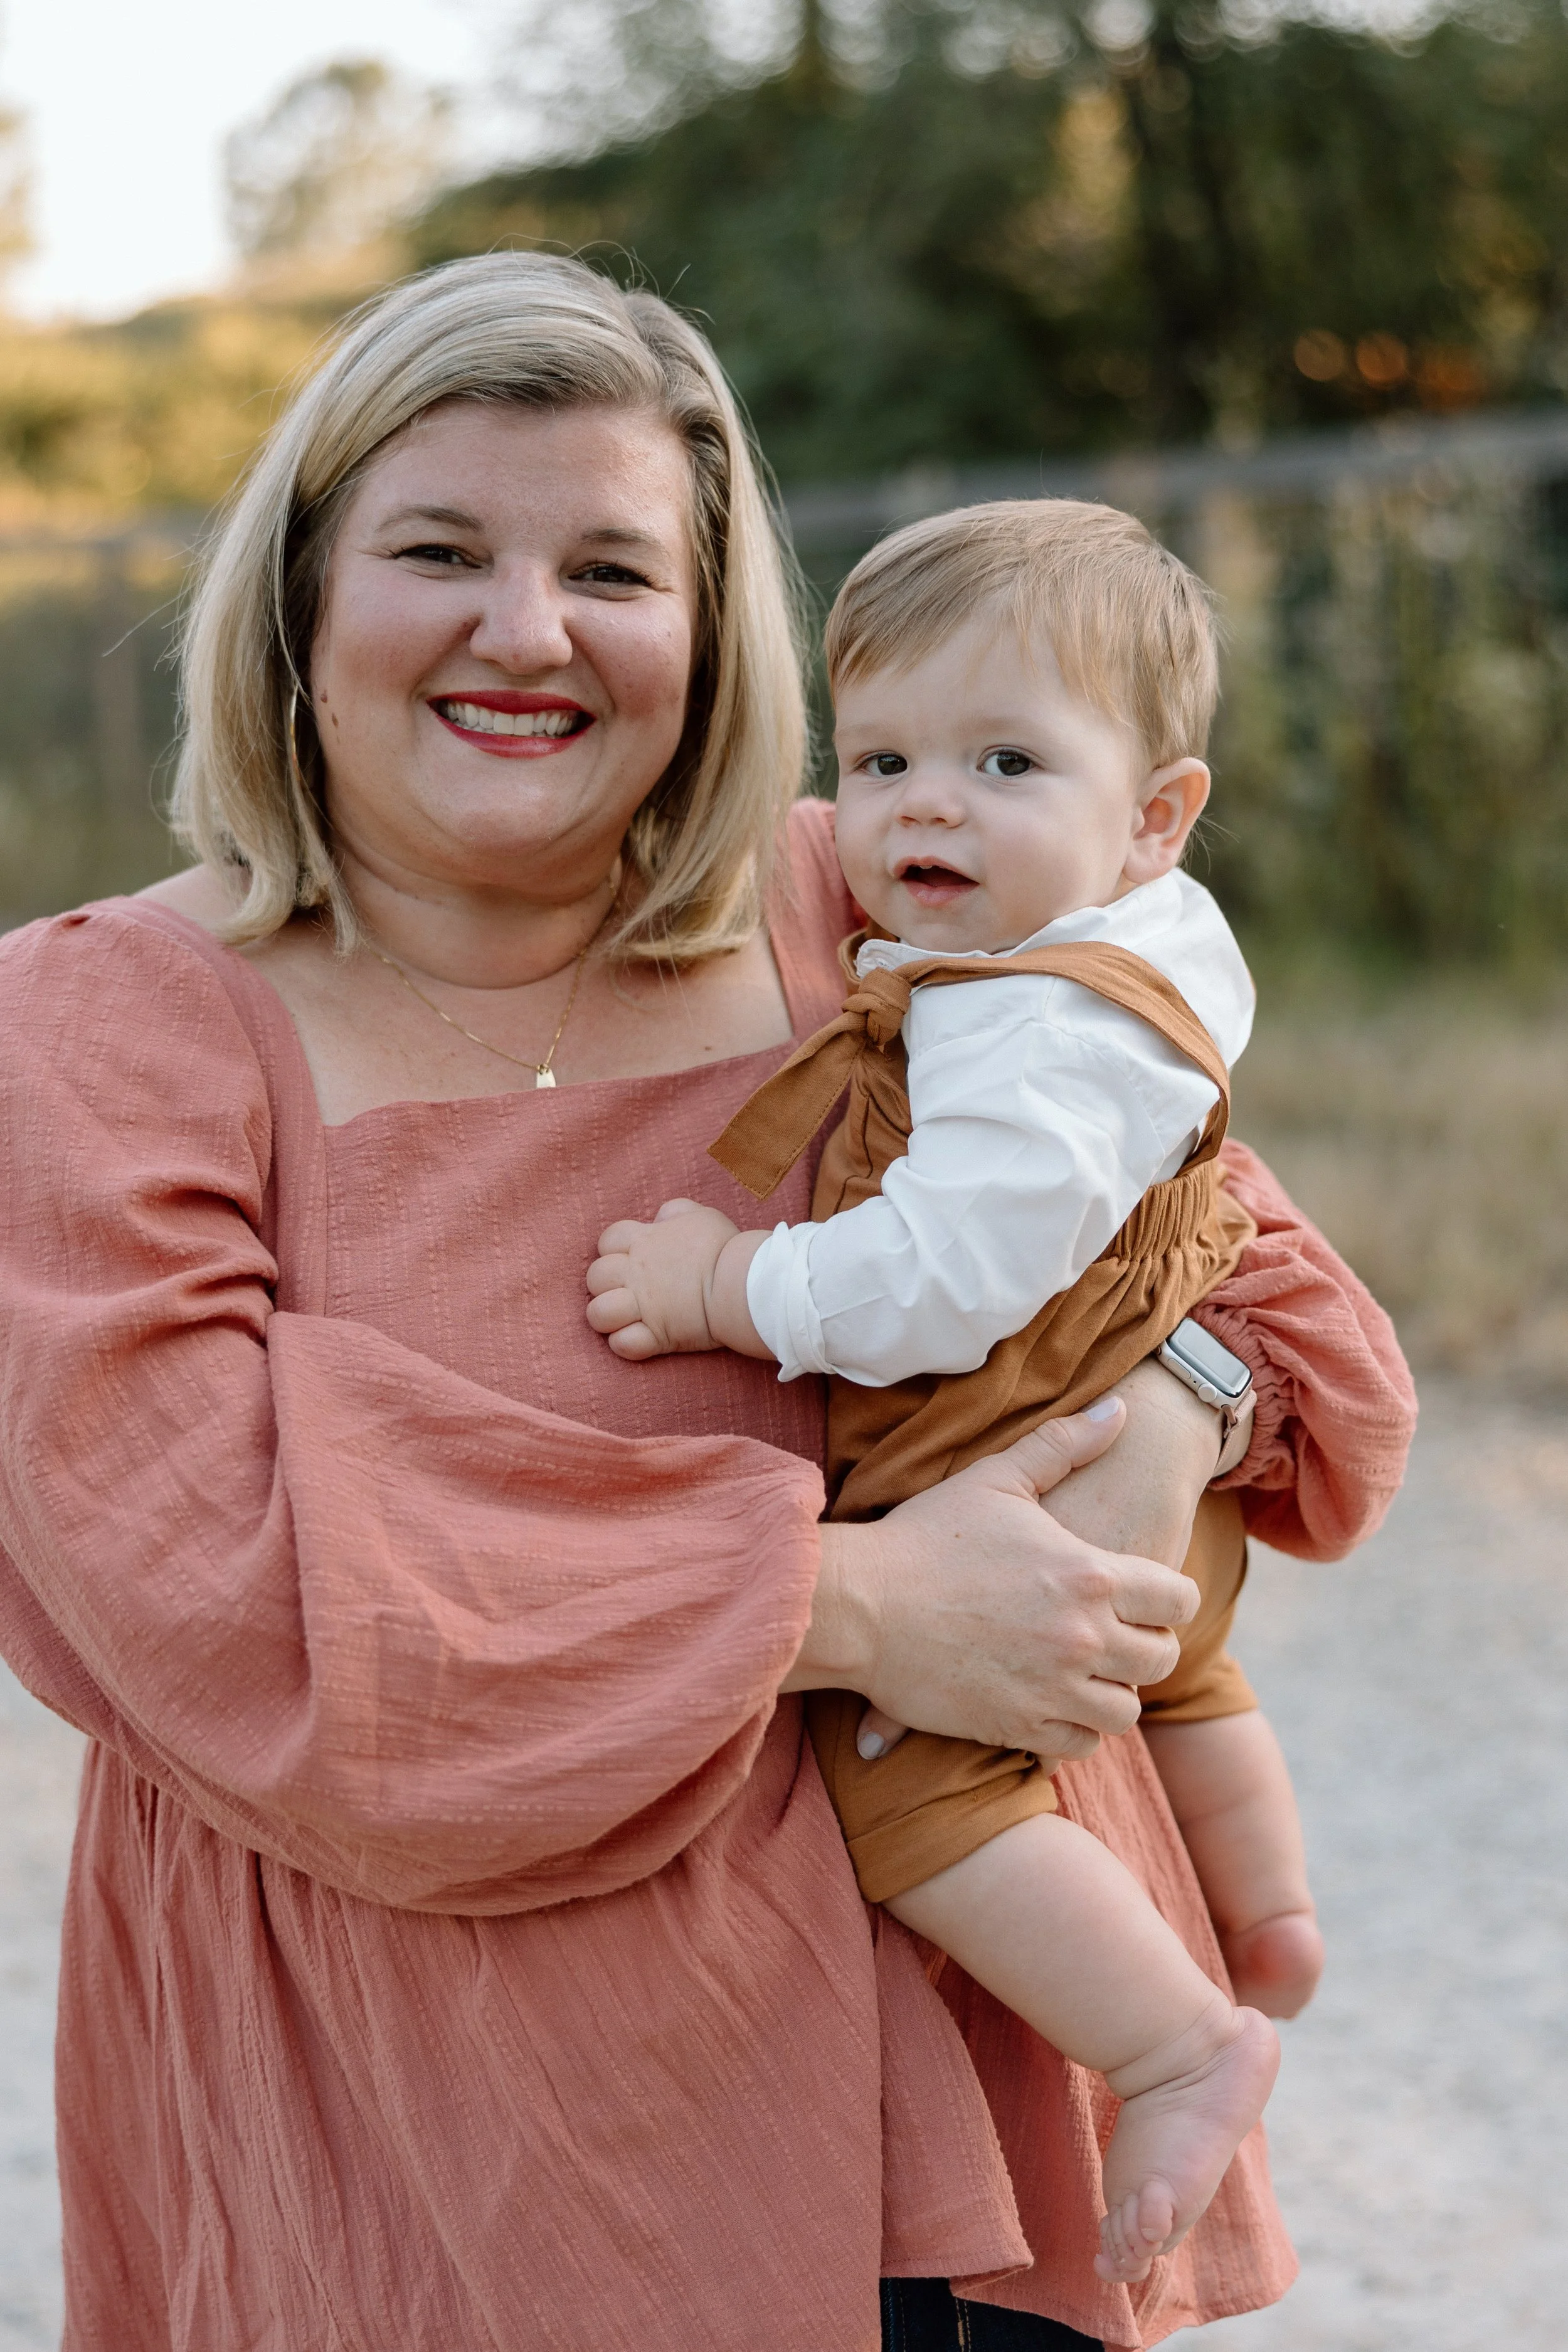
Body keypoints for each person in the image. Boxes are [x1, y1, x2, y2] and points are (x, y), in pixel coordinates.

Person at [0, 253, 1416, 2352]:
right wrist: (858, 1606)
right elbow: (217, 1594)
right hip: (457, 2169)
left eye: (611, 567)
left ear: (706, 622)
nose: (526, 629)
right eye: (440, 549)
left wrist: (1169, 1423)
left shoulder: (868, 894)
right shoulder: (96, 1027)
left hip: (973, 2100)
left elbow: (1254, 1270)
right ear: (299, 597)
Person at [586, 499, 1330, 2280]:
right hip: (1141, 1482)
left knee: (912, 1789)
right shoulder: (1138, 948)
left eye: (1003, 759)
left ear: (1154, 813)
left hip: (1027, 1464)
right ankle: (1270, 1909)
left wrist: (725, 1284)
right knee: (1185, 1667)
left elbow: (937, 1283)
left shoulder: (1034, 1024)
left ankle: (1169, 2036)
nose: (923, 804)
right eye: (885, 755)